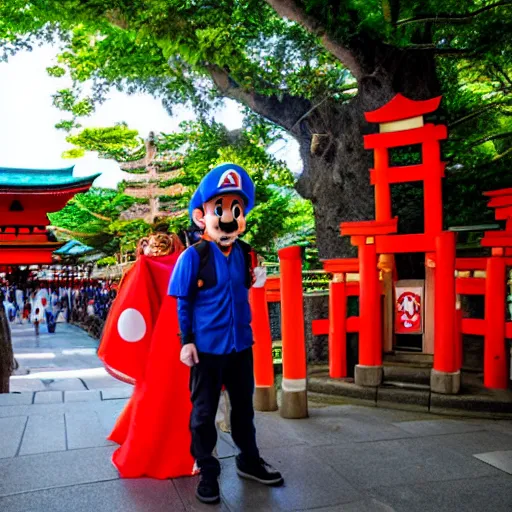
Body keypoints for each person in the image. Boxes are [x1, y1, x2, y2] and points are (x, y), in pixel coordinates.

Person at [169, 163, 283, 505]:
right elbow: (183, 301)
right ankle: (207, 468)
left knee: (243, 409)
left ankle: (248, 459)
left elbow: (250, 288)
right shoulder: (193, 256)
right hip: (205, 348)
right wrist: (185, 340)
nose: (229, 217)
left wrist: (258, 278)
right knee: (203, 411)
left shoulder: (247, 254)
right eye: (220, 209)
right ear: (201, 215)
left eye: (236, 209)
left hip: (240, 345)